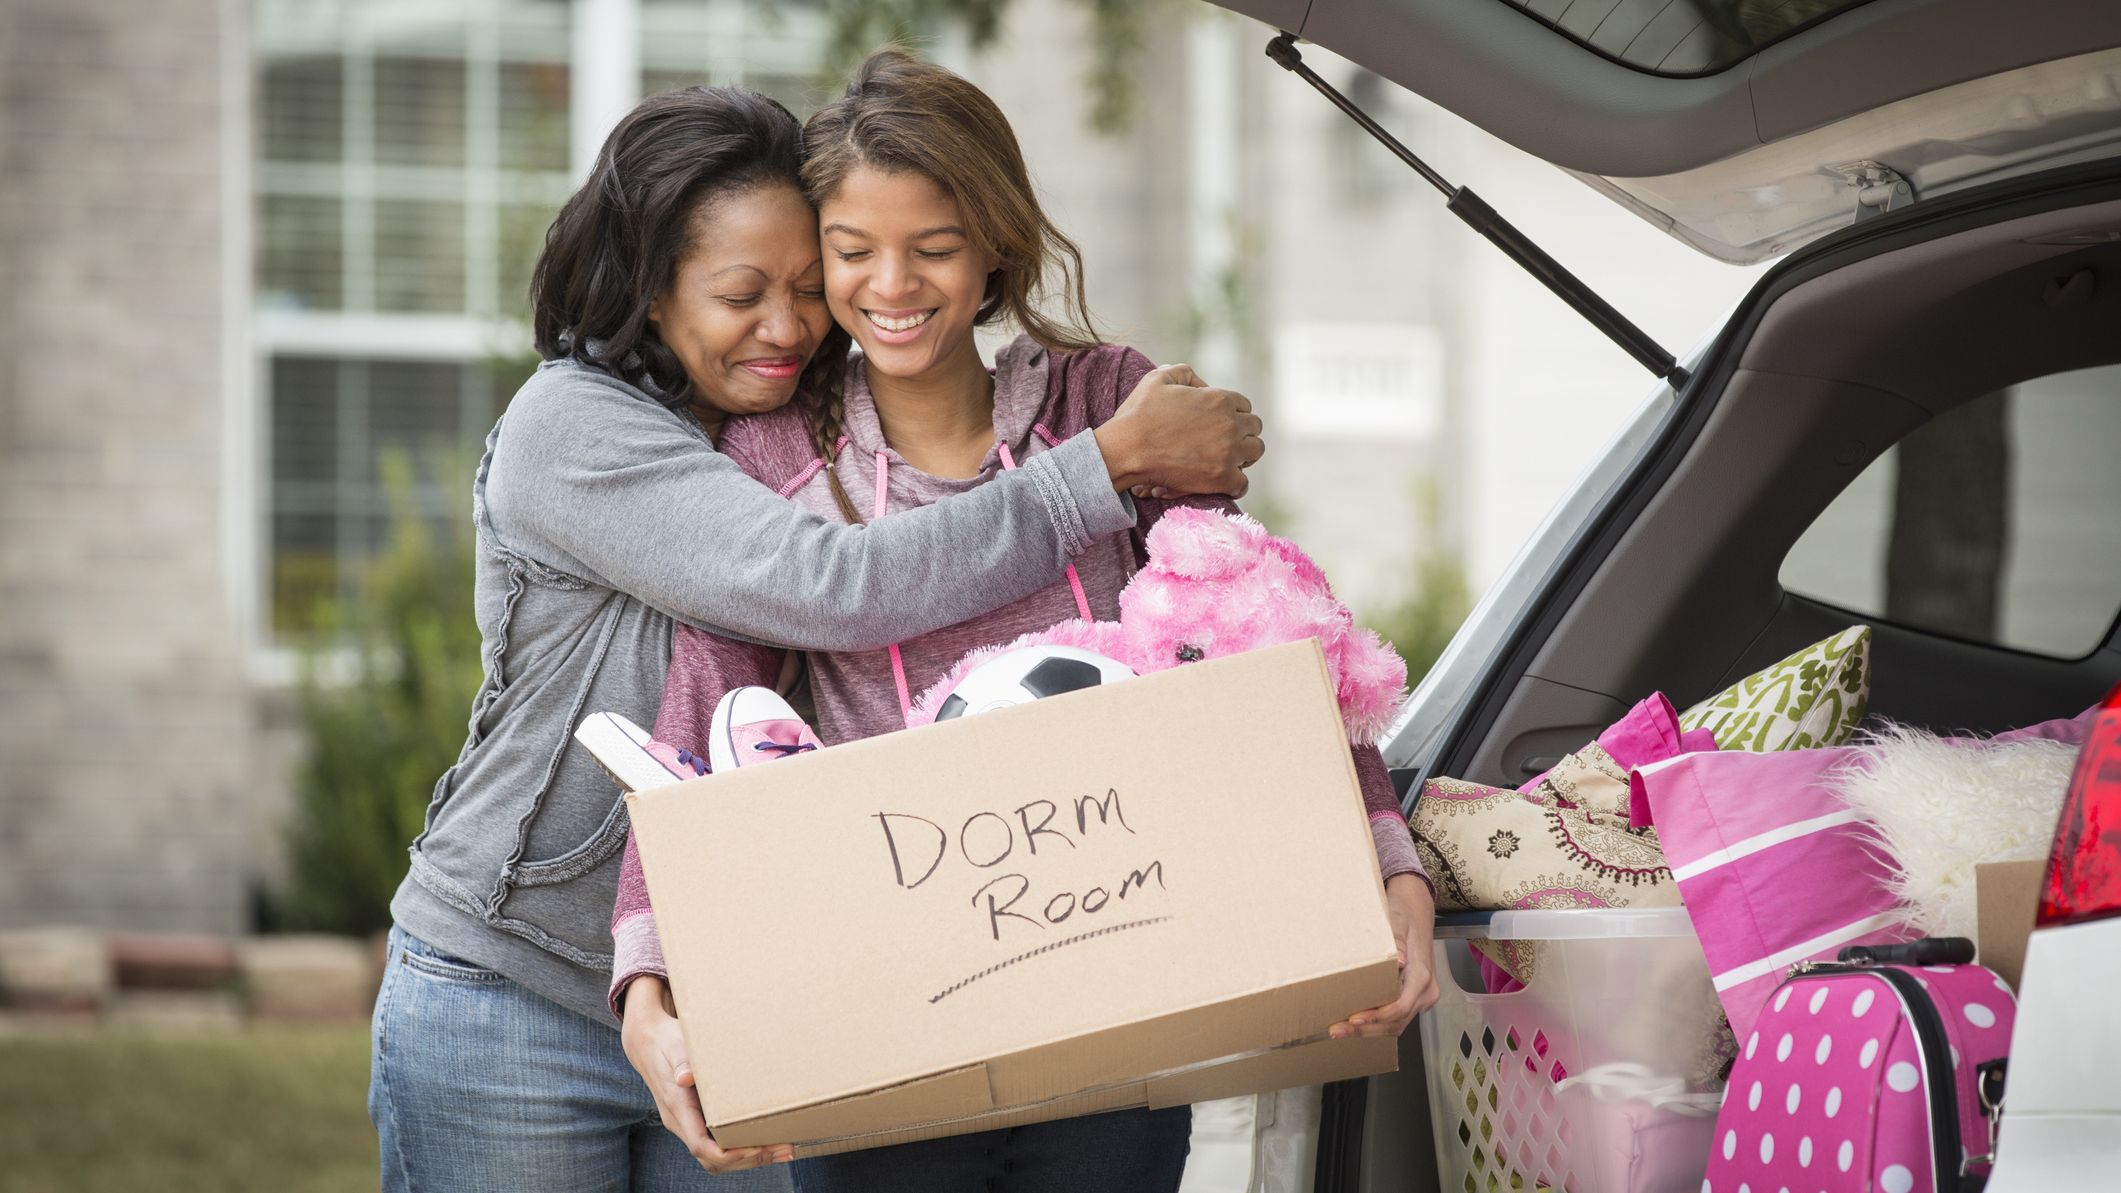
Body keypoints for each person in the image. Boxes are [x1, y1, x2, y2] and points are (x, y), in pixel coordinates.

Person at [366, 84, 1264, 1193]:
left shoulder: (782, 429)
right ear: (650, 294)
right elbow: (829, 585)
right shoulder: (575, 429)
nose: (788, 326)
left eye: (804, 287)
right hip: (517, 992)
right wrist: (1105, 464)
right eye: (742, 293)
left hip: (733, 989)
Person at [606, 50, 1440, 1193]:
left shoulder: (1107, 404)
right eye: (852, 252)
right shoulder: (778, 456)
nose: (892, 284)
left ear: (996, 241)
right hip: (887, 1036)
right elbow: (696, 721)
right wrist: (647, 983)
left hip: (1123, 1005)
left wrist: (1389, 866)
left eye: (935, 248)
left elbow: (1264, 634)